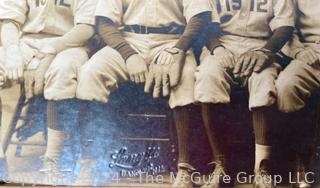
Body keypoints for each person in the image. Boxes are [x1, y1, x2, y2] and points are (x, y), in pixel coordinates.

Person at [75, 0, 214, 187]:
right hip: (128, 40)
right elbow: (104, 21)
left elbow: (200, 16)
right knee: (90, 73)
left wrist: (178, 49)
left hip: (172, 42)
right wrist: (128, 54)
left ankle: (184, 169)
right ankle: (89, 164)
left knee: (187, 77)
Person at [195, 0, 294, 187]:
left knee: (264, 81)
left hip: (263, 43)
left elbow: (285, 26)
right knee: (208, 77)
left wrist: (265, 51)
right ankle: (220, 165)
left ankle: (261, 168)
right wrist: (217, 48)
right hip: (222, 43)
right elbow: (202, 21)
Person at [0, 0, 96, 182]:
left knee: (62, 71)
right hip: (27, 42)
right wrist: (12, 50)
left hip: (70, 44)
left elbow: (86, 28)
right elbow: (10, 22)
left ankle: (53, 159)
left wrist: (51, 51)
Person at [276, 0, 320, 187]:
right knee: (286, 86)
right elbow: (285, 26)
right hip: (312, 51)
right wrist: (298, 51)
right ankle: (302, 165)